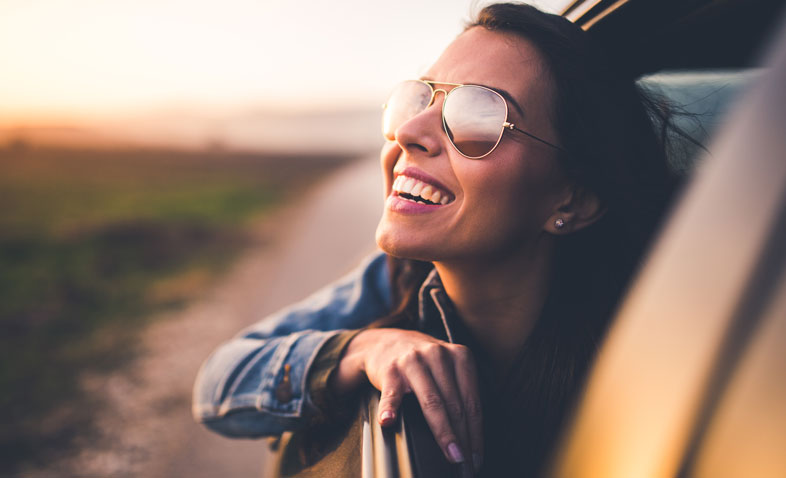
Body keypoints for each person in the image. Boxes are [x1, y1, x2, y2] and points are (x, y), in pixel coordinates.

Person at [193, 3, 681, 476]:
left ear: (573, 202)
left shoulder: (652, 375)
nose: (408, 132)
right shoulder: (395, 279)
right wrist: (364, 349)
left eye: (478, 117)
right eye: (418, 97)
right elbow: (218, 385)